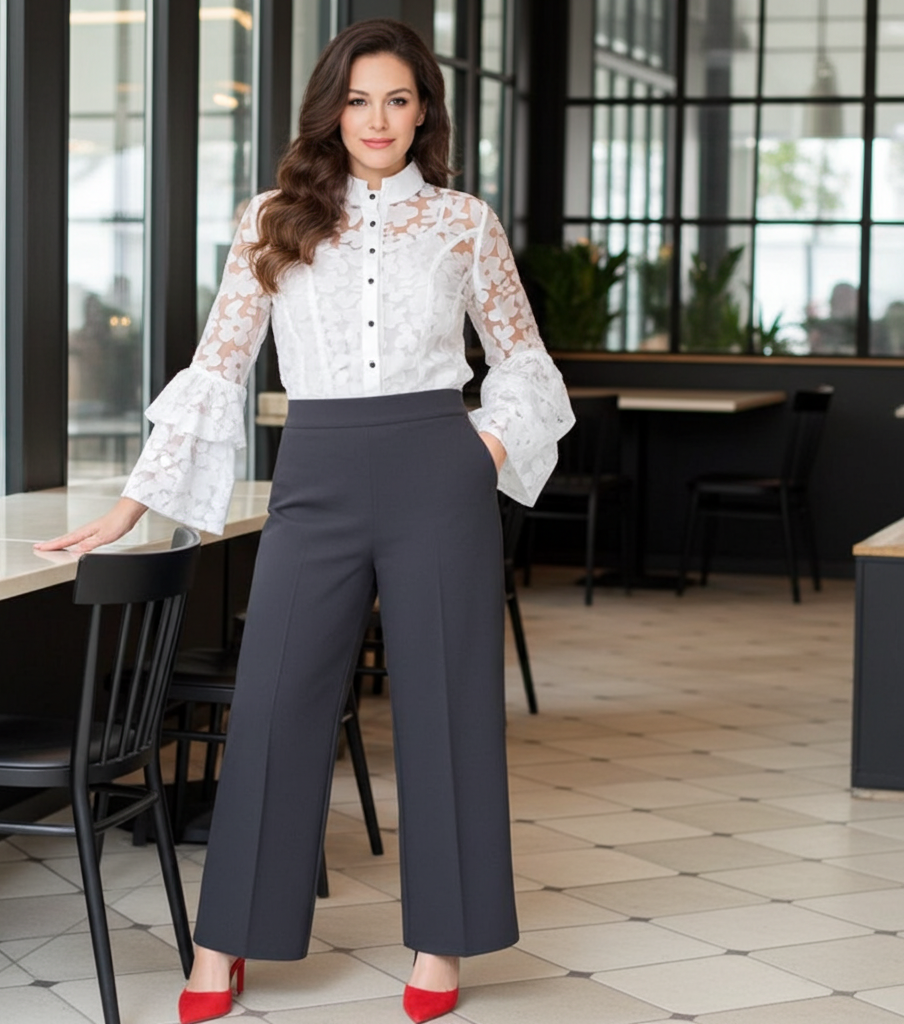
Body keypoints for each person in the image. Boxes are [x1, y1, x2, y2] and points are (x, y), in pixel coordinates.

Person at [37, 18, 574, 1024]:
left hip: (438, 470)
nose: (378, 119)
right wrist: (130, 502)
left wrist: (481, 450)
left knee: (447, 708)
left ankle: (441, 943)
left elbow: (525, 364)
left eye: (399, 100)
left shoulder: (463, 222)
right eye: (359, 99)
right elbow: (219, 365)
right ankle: (224, 943)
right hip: (318, 473)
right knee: (277, 705)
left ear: (424, 113)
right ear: (330, 109)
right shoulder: (272, 220)